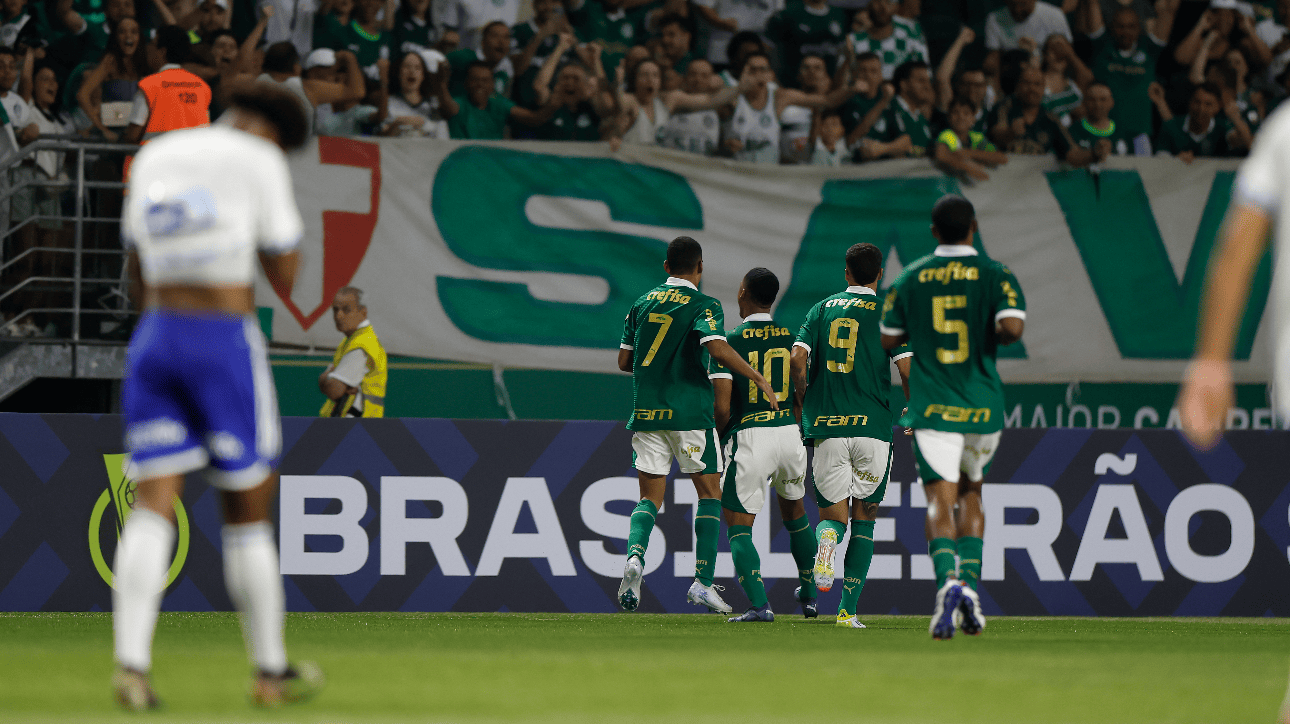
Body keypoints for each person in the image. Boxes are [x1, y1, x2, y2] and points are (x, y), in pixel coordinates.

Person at [113, 81, 321, 710]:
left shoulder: (156, 154)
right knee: (248, 507)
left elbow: (136, 271)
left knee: (152, 503)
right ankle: (269, 671)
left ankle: (131, 665)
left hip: (154, 338)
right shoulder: (258, 160)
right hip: (222, 340)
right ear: (271, 132)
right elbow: (285, 273)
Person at [879, 194, 1027, 640]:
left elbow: (888, 339)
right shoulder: (997, 274)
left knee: (939, 499)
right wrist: (985, 327)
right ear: (974, 228)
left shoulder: (912, 276)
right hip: (983, 405)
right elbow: (1013, 329)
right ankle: (970, 588)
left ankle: (947, 583)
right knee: (973, 494)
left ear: (932, 231)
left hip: (935, 406)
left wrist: (921, 327)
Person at [616, 236, 777, 615]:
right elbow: (716, 347)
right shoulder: (704, 305)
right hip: (689, 415)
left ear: (666, 266)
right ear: (700, 268)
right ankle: (702, 583)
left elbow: (624, 361)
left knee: (649, 499)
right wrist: (757, 377)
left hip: (648, 413)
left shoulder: (640, 304)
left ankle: (636, 557)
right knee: (709, 495)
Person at [791, 243, 911, 629]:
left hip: (828, 428)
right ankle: (847, 612)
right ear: (879, 275)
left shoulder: (822, 309)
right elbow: (908, 369)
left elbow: (796, 358)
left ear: (846, 273)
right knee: (865, 519)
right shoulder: (890, 313)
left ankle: (825, 548)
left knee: (833, 516)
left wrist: (804, 395)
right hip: (874, 430)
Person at [710, 268, 815, 622]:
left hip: (751, 436)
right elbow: (801, 387)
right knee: (796, 516)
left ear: (742, 292)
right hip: (789, 432)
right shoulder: (792, 339)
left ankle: (759, 605)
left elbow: (722, 407)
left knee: (739, 525)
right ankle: (810, 595)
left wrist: (724, 435)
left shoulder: (728, 343)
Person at [723, 52, 859, 164]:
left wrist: (853, 88)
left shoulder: (840, 109)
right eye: (753, 70)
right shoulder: (785, 105)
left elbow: (829, 99)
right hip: (783, 172)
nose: (812, 72)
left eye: (817, 68)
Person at [1084, 0, 1177, 151]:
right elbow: (1092, 4)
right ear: (1112, 28)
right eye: (1120, 26)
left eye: (1131, 26)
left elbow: (1169, 10)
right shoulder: (1102, 47)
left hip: (1139, 134)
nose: (1125, 31)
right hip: (1105, 131)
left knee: (1144, 174)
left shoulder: (1149, 50)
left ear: (1139, 28)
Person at [616, 57, 742, 145]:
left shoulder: (668, 101)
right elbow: (621, 102)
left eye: (655, 75)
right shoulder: (668, 99)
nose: (697, 80)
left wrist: (738, 87)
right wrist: (618, 85)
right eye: (644, 75)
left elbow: (709, 100)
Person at [122, 26, 212, 145]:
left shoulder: (150, 85)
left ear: (162, 51)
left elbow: (133, 135)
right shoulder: (201, 86)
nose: (148, 49)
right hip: (194, 161)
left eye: (153, 44)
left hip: (155, 160)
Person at [259, 42, 367, 138]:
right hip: (295, 154)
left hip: (260, 150)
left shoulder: (252, 83)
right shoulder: (308, 88)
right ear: (297, 68)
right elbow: (357, 91)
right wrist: (350, 58)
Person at [989, 66, 1092, 164]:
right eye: (1026, 83)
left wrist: (1094, 155)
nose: (1032, 89)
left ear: (1043, 89)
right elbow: (997, 134)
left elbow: (1071, 154)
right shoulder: (1003, 107)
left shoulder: (1050, 118)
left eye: (1037, 84)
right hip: (1002, 177)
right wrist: (1011, 132)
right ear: (1018, 86)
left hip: (1034, 179)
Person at [438, 58, 559, 138]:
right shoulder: (460, 103)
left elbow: (533, 119)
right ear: (466, 83)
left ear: (492, 85)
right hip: (463, 163)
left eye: (485, 80)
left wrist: (553, 105)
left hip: (491, 164)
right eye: (475, 79)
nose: (480, 84)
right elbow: (449, 108)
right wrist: (442, 84)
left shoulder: (498, 104)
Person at [319, 287, 388, 417]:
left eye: (346, 310)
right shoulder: (351, 341)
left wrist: (325, 377)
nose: (338, 315)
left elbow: (334, 389)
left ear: (363, 313)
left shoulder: (362, 344)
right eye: (335, 310)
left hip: (355, 428)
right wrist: (328, 379)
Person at [76, 15, 147, 140]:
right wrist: (101, 128)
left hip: (135, 137)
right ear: (116, 37)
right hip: (112, 136)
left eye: (134, 32)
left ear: (140, 37)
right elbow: (82, 95)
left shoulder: (145, 64)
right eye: (122, 32)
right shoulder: (110, 61)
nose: (128, 36)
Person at [531, 35, 614, 140]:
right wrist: (560, 48)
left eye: (576, 79)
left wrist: (596, 60)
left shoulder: (593, 105)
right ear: (557, 84)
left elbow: (606, 104)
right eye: (565, 78)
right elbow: (539, 86)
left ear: (585, 85)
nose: (570, 82)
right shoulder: (551, 103)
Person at [840, 51, 913, 160]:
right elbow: (850, 142)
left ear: (880, 76)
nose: (868, 75)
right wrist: (883, 102)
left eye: (873, 71)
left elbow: (906, 142)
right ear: (854, 74)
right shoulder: (846, 100)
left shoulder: (890, 100)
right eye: (863, 70)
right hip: (855, 166)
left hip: (887, 165)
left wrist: (882, 148)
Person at [1154, 81, 1251, 161]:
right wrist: (1176, 160)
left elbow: (1249, 145)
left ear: (1217, 107)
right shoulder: (1171, 126)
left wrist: (1236, 119)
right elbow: (1160, 160)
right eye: (1197, 102)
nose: (1201, 109)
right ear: (1190, 103)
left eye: (1208, 104)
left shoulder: (1222, 127)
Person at [984, 0, 1071, 81]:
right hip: (1012, 80)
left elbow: (1068, 57)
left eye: (1023, 4)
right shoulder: (995, 18)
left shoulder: (1055, 16)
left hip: (1048, 77)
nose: (1017, 10)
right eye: (1013, 4)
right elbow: (993, 59)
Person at [765, 0, 847, 84]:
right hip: (791, 82)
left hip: (829, 83)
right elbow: (767, 48)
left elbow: (842, 52)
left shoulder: (838, 14)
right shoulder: (788, 13)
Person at [656, 57, 722, 154]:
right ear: (684, 77)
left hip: (703, 166)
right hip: (669, 162)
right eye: (693, 74)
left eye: (704, 76)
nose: (697, 79)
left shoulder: (720, 104)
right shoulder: (673, 98)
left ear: (712, 79)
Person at [849, 0, 926, 81]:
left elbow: (925, 77)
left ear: (897, 6)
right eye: (877, 1)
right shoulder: (853, 40)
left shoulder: (912, 37)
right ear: (868, 4)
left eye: (888, 1)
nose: (883, 8)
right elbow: (841, 84)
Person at [935, 95, 1007, 180]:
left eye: (966, 113)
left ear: (973, 118)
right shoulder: (947, 135)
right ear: (948, 117)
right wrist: (967, 167)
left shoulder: (977, 137)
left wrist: (966, 153)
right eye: (955, 112)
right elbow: (941, 155)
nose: (960, 117)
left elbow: (1002, 158)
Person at [693, 0, 782, 67]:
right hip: (723, 46)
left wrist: (772, 37)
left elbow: (780, 12)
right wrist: (720, 22)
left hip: (764, 45)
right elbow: (703, 4)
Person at [382, 50, 446, 135]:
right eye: (407, 66)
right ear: (398, 73)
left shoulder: (434, 105)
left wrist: (424, 124)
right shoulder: (388, 103)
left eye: (417, 68)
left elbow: (442, 137)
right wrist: (395, 126)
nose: (412, 71)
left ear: (423, 75)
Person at [446, 19, 512, 97]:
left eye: (506, 37)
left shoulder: (506, 70)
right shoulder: (460, 57)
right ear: (483, 41)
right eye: (495, 36)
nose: (501, 42)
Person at [1068, 81, 1133, 157]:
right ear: (1084, 101)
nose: (1097, 105)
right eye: (1092, 100)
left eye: (1103, 99)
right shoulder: (1072, 131)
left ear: (1112, 102)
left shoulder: (1124, 132)